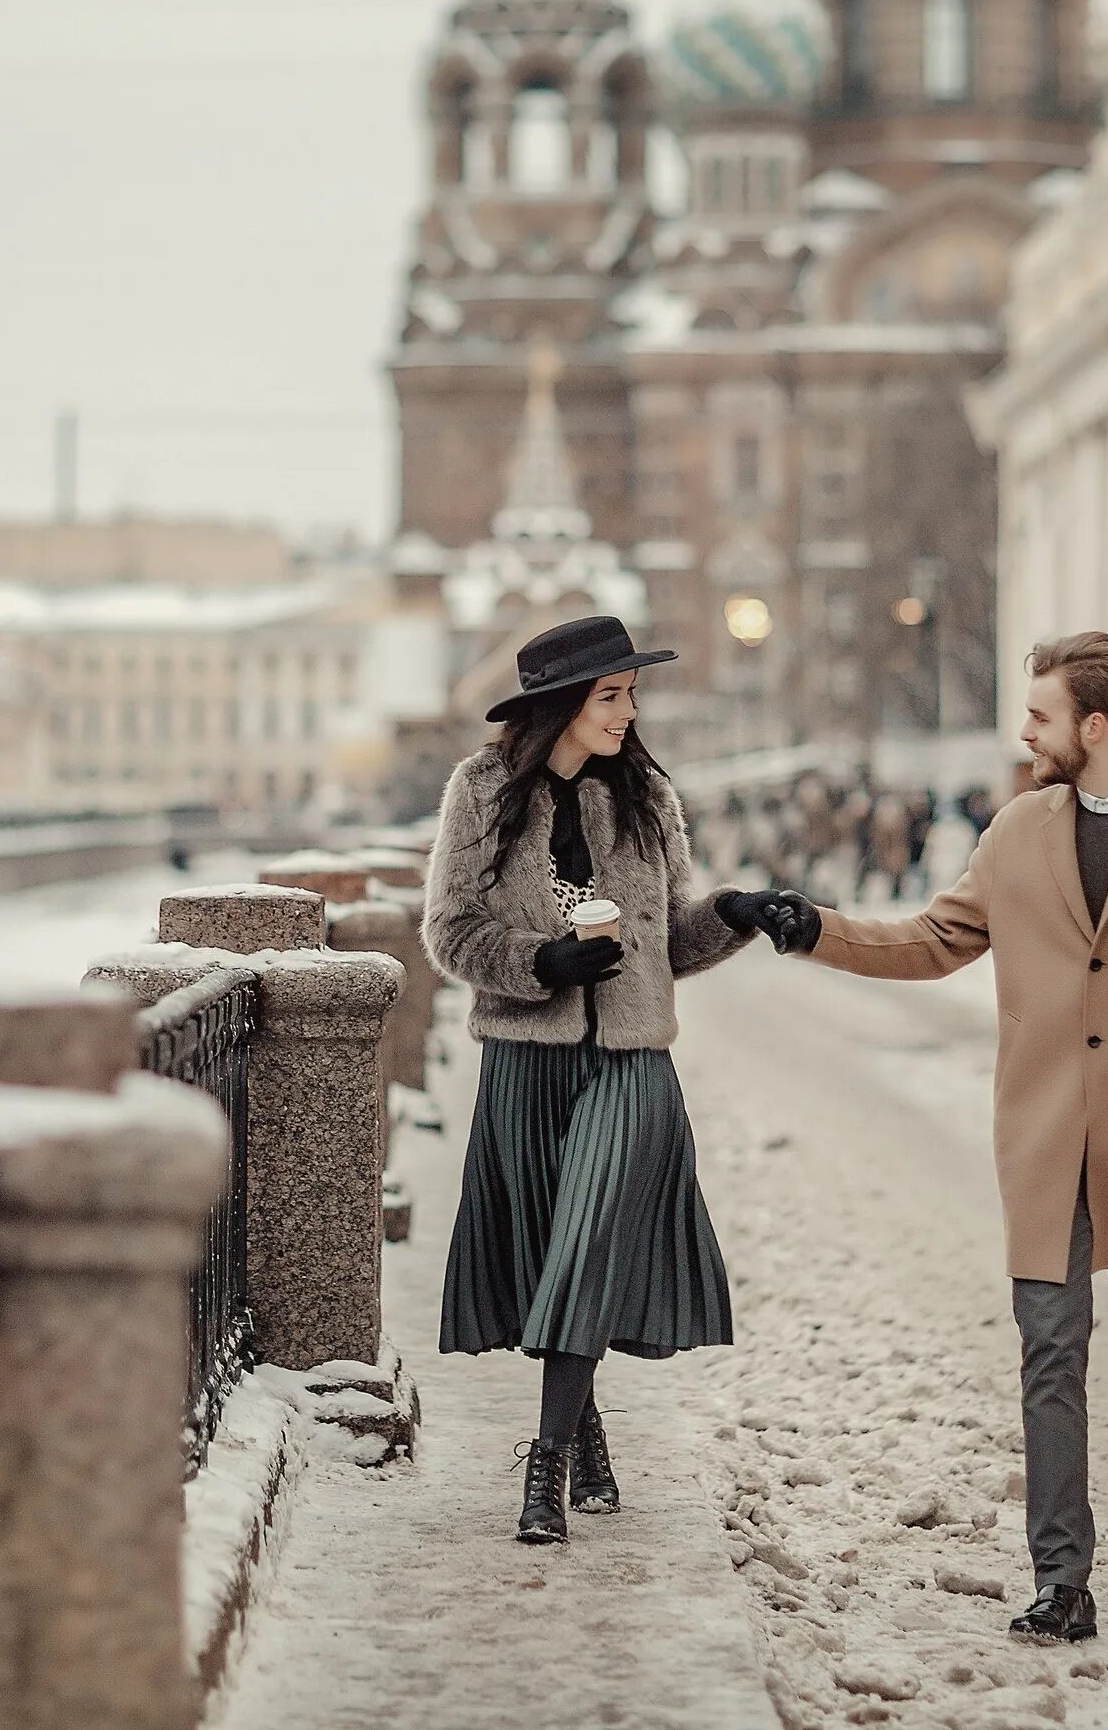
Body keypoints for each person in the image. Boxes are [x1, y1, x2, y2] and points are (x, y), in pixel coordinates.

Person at [726, 632, 1108, 1644]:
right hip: (1045, 1131)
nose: (1022, 732)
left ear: (1094, 724)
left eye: (1038, 715)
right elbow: (930, 940)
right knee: (1049, 1344)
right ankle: (1059, 1580)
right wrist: (805, 925)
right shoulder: (1013, 831)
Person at [422, 615, 762, 1545]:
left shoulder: (649, 795)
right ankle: (587, 1423)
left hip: (632, 1064)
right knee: (549, 1256)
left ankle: (545, 1466)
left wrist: (731, 915)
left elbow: (669, 942)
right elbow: (448, 932)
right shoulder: (481, 791)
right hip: (527, 1061)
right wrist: (543, 963)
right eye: (611, 695)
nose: (628, 710)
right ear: (560, 705)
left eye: (629, 694)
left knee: (588, 1237)